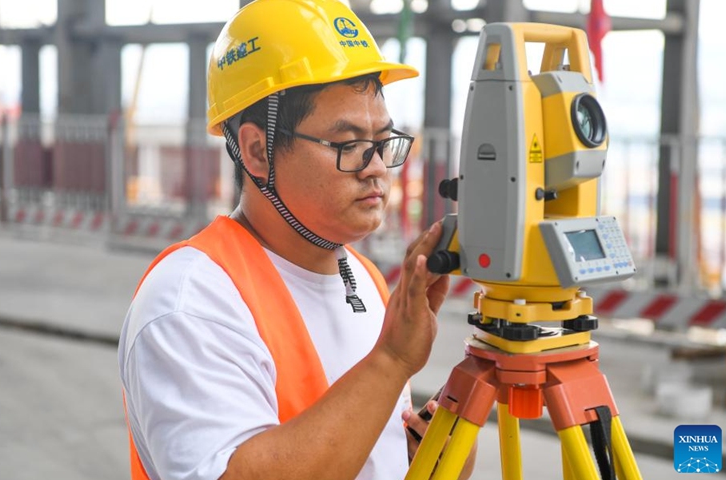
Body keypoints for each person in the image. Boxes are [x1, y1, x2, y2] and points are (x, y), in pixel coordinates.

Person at [118, 0, 476, 478]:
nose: (374, 167)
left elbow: (351, 443)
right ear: (256, 151)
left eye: (382, 141)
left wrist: (419, 457)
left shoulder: (364, 278)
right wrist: (391, 360)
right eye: (347, 144)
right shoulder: (192, 300)